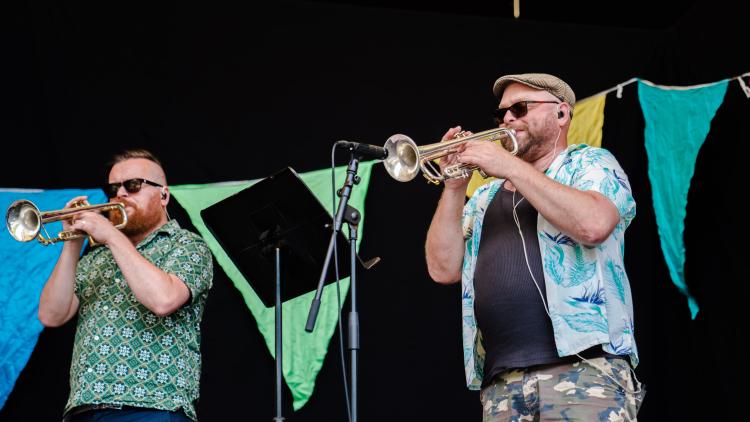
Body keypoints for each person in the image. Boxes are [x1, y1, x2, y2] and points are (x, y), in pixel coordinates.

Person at [425, 73, 643, 421]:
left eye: (520, 108)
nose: (508, 119)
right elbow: (442, 268)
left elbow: (593, 225)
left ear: (561, 113)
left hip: (584, 370)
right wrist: (454, 186)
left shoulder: (591, 164)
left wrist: (506, 164)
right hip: (502, 383)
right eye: (501, 114)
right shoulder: (484, 197)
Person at [38, 149, 213, 422]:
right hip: (83, 409)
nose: (120, 194)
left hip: (152, 407)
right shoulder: (96, 258)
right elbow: (51, 315)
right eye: (113, 188)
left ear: (163, 195)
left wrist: (110, 235)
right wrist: (73, 245)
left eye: (132, 185)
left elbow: (163, 300)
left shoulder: (187, 245)